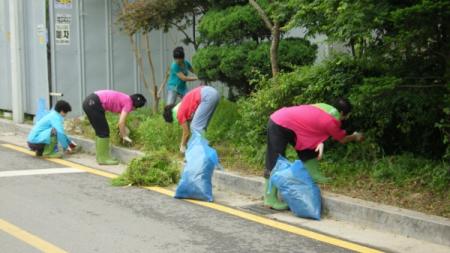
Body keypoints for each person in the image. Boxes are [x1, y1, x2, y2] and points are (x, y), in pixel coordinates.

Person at [264, 98, 364, 210]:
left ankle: (314, 174)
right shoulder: (331, 121)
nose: (345, 119)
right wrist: (356, 136)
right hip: (279, 124)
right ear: (341, 113)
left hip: (291, 124)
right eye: (346, 116)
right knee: (276, 159)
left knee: (308, 146)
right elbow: (342, 139)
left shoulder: (323, 106)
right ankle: (269, 198)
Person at [82, 90, 146, 165]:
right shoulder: (129, 103)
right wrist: (124, 135)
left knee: (100, 131)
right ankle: (103, 158)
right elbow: (121, 122)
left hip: (90, 101)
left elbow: (121, 120)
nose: (134, 110)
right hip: (94, 103)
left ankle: (100, 157)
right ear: (136, 106)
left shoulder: (126, 98)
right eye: (136, 108)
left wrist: (121, 129)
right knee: (104, 132)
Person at [163, 85, 220, 153]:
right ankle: (204, 149)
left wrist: (182, 146)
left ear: (172, 118)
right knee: (201, 127)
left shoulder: (179, 114)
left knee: (195, 127)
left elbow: (186, 133)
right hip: (212, 93)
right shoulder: (181, 106)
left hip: (206, 96)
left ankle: (200, 152)